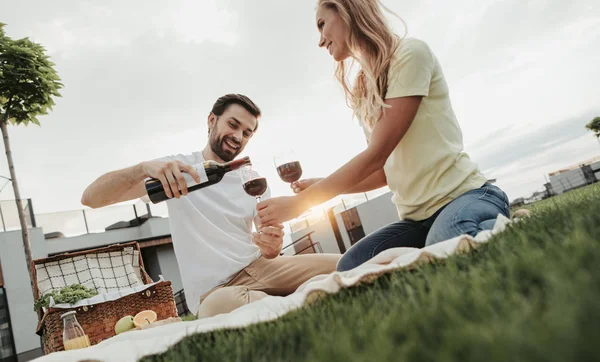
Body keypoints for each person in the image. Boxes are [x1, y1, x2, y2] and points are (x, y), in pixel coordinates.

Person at [256, 0, 511, 272]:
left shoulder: (410, 54)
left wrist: (300, 204)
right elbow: (384, 172)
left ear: (346, 12)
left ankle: (492, 220)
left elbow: (376, 154)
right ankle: (458, 235)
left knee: (449, 247)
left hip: (464, 196)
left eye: (322, 25)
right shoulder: (363, 88)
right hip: (416, 219)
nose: (320, 41)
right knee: (351, 266)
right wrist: (320, 184)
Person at [81, 94, 340, 318]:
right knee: (218, 306)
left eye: (247, 133)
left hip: (263, 269)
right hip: (217, 291)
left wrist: (272, 245)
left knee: (348, 263)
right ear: (211, 120)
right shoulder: (176, 170)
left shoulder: (253, 179)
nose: (238, 137)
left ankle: (288, 299)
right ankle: (295, 300)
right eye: (233, 125)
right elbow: (91, 198)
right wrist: (142, 168)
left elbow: (270, 246)